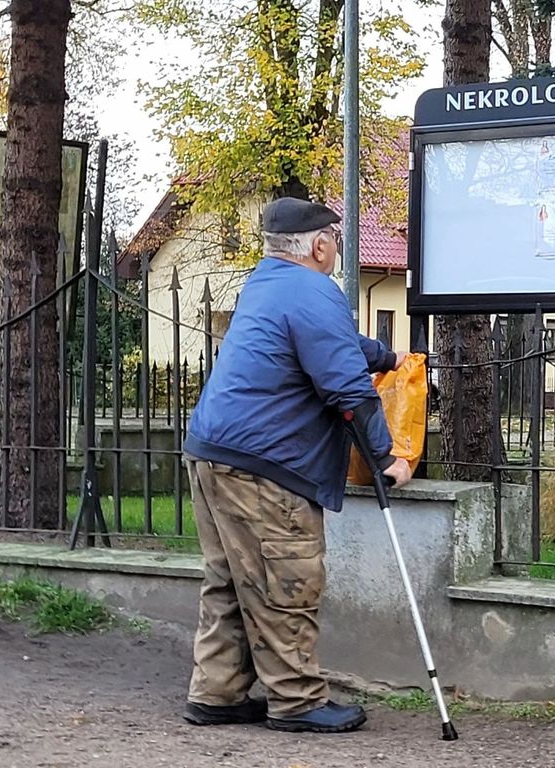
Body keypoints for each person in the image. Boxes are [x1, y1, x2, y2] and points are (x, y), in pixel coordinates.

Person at [180, 197, 413, 734]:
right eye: (334, 237)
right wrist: (387, 459)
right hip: (267, 465)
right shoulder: (314, 290)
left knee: (230, 579)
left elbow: (331, 345)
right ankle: (297, 700)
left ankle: (217, 693)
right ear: (321, 244)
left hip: (214, 453)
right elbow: (347, 390)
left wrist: (386, 356)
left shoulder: (268, 282)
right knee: (287, 576)